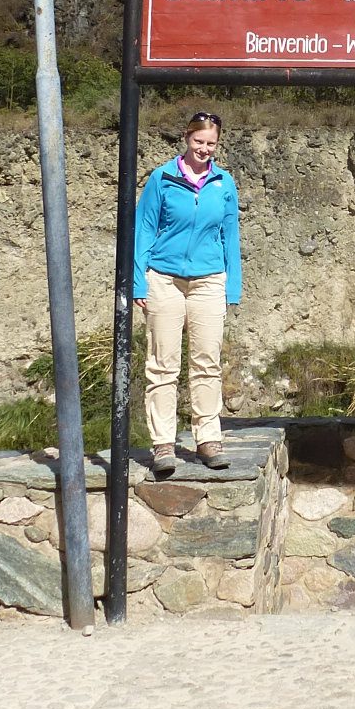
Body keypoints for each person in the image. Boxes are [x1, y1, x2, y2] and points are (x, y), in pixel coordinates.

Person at [133, 111, 243, 478]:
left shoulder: (224, 183)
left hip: (209, 280)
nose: (205, 149)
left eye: (211, 144)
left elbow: (230, 236)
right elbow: (144, 229)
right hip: (163, 279)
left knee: (207, 362)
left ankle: (208, 439)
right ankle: (163, 443)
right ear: (187, 138)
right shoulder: (162, 178)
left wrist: (233, 285)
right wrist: (138, 282)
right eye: (199, 142)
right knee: (163, 365)